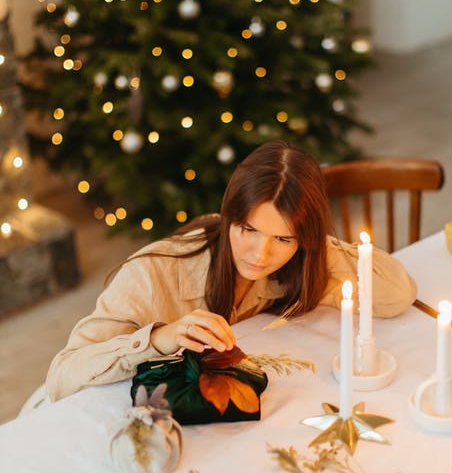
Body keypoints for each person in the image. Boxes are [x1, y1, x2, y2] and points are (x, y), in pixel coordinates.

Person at [46, 140, 417, 401]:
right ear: (228, 217)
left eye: (283, 239)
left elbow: (397, 294)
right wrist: (160, 338)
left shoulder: (299, 265)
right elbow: (61, 378)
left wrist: (315, 242)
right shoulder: (154, 272)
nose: (261, 254)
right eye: (248, 230)